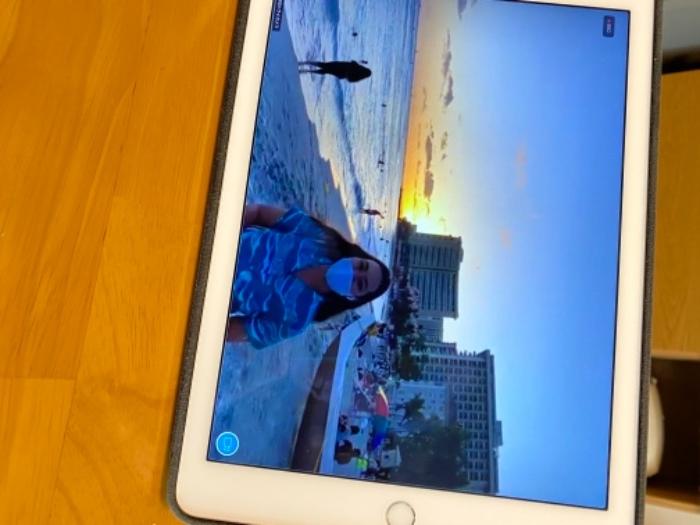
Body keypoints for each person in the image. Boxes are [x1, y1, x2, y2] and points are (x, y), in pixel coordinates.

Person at [226, 204, 391, 348]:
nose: (354, 273)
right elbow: (259, 213)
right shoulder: (317, 237)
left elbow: (231, 330)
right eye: (361, 266)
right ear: (356, 257)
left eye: (360, 283)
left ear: (354, 297)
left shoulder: (296, 319)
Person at [298, 60, 372, 83]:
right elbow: (349, 79)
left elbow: (352, 62)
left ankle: (305, 63)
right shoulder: (358, 77)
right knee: (324, 71)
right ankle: (307, 70)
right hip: (339, 73)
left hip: (339, 66)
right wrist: (347, 74)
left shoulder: (358, 67)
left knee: (323, 65)